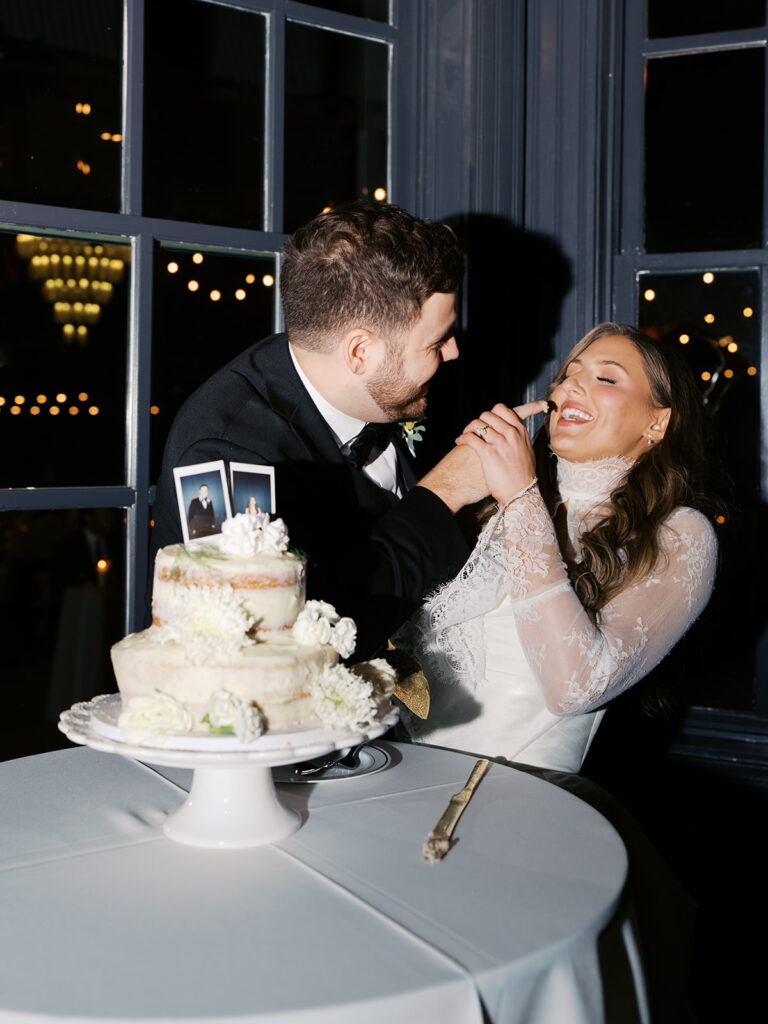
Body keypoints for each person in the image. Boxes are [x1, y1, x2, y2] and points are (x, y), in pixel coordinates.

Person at [151, 201, 499, 657]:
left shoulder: (397, 385)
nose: (453, 353)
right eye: (436, 341)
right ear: (359, 353)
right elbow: (289, 636)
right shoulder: (223, 452)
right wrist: (442, 494)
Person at [396, 322, 719, 774]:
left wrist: (522, 497)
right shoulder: (491, 504)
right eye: (568, 374)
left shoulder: (681, 534)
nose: (569, 387)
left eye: (605, 378)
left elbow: (575, 686)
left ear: (657, 421)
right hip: (395, 770)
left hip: (509, 799)